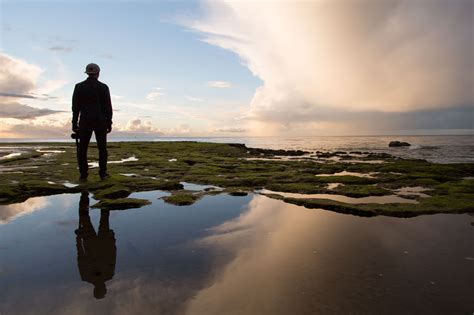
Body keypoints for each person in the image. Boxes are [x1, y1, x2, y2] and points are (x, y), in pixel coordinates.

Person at [72, 63, 113, 180]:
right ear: (98, 73)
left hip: (85, 121)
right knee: (102, 149)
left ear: (87, 73)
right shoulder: (103, 87)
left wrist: (74, 123)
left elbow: (75, 107)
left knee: (82, 149)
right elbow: (108, 107)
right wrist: (109, 122)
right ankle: (103, 173)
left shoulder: (79, 87)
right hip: (100, 121)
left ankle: (83, 174)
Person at [75, 191, 116, 299]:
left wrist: (78, 239)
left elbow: (80, 256)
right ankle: (99, 194)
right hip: (102, 242)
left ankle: (85, 194)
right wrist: (112, 239)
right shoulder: (108, 274)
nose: (104, 287)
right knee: (103, 216)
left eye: (103, 290)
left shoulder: (87, 276)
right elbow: (112, 255)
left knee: (87, 216)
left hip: (91, 243)